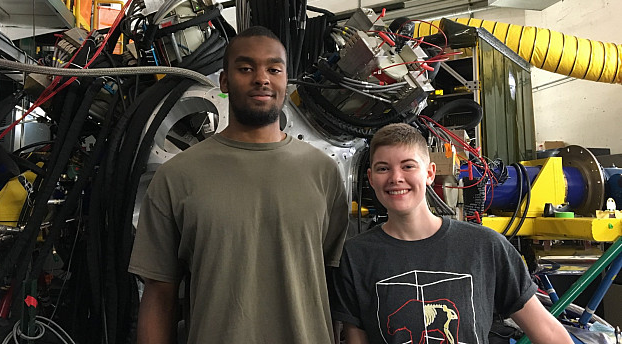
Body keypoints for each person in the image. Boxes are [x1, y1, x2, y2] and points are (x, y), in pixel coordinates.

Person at [129, 26, 349, 344]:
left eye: (274, 69)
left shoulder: (323, 173)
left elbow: (336, 287)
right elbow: (159, 293)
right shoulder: (177, 177)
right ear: (224, 81)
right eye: (246, 68)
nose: (261, 78)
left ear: (286, 82)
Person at [331, 123, 573, 344]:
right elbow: (356, 338)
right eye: (383, 168)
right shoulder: (355, 256)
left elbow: (548, 332)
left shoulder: (485, 247)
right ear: (371, 179)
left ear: (429, 173)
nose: (396, 178)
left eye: (408, 166)